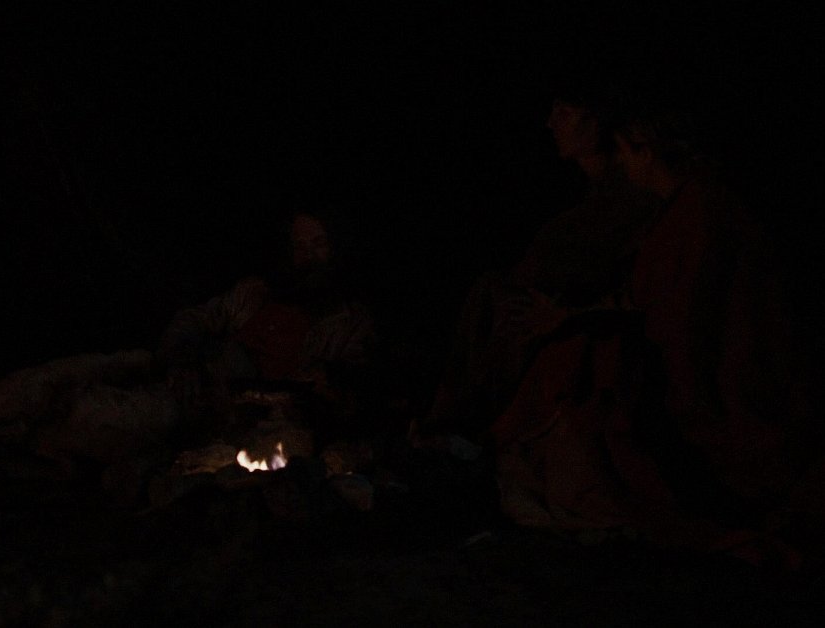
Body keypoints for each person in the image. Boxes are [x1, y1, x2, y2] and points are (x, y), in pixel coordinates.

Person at [492, 86, 815, 567]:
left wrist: (582, 323)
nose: (622, 165)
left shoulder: (699, 212)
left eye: (625, 153)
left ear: (643, 151)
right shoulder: (683, 209)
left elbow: (685, 321)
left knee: (582, 361)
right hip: (683, 359)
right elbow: (653, 300)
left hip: (723, 382)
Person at [412, 80, 658, 447]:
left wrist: (567, 310)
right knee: (491, 293)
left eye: (565, 112)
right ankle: (452, 424)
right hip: (542, 316)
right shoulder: (589, 201)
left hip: (578, 328)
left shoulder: (631, 198)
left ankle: (461, 428)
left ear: (598, 121)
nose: (551, 123)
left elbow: (628, 277)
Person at [156, 210, 377, 430]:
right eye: (299, 246)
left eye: (319, 244)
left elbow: (356, 386)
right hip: (201, 396)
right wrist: (183, 360)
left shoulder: (349, 322)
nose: (309, 256)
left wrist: (328, 383)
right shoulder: (254, 293)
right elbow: (191, 321)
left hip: (273, 423)